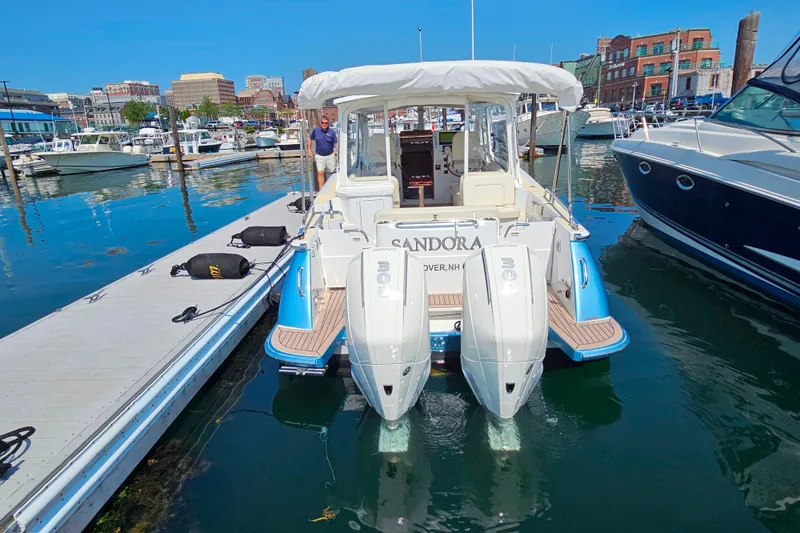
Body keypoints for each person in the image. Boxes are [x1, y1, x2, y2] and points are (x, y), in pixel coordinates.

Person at [307, 116, 337, 190]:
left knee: (332, 173)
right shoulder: (316, 131)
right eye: (323, 123)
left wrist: (338, 152)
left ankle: (332, 189)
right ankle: (321, 191)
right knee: (320, 173)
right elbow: (310, 139)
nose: (324, 124)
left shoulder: (332, 132)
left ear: (328, 124)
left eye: (326, 123)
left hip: (330, 155)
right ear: (321, 123)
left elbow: (336, 143)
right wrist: (309, 150)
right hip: (319, 155)